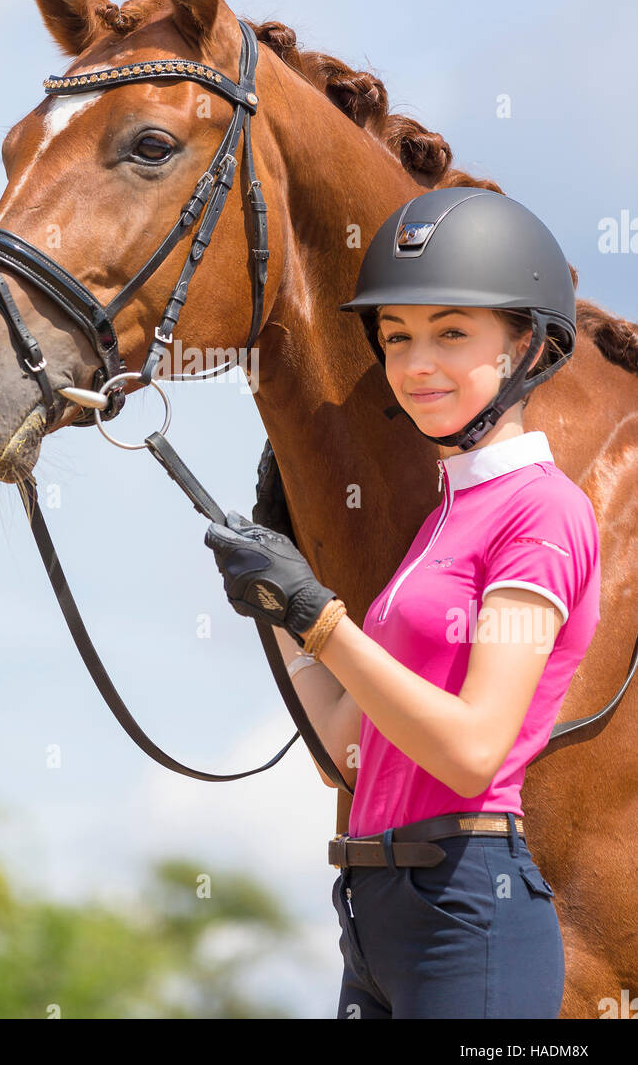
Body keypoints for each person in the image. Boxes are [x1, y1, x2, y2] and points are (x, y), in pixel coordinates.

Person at [204, 186, 601, 1020]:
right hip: (374, 912)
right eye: (397, 337)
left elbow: (473, 753)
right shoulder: (442, 526)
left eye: (452, 333)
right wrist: (281, 604)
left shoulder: (545, 513)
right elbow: (342, 754)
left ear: (529, 344)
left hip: (466, 911)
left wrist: (321, 616)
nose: (417, 364)